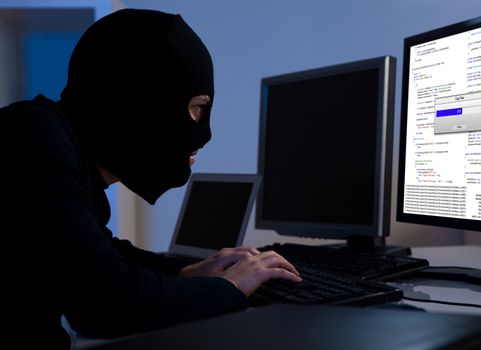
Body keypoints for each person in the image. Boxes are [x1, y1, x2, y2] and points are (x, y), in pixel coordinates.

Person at [1, 8, 301, 349]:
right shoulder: (32, 142)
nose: (203, 132)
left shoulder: (49, 141)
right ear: (138, 102)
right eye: (197, 107)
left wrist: (182, 273)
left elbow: (99, 252)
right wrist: (229, 289)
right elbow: (105, 302)